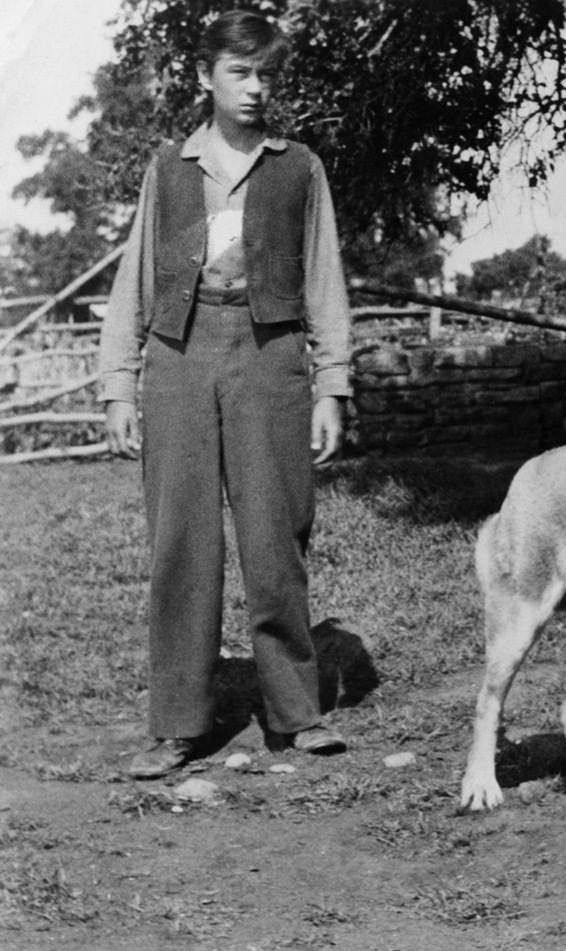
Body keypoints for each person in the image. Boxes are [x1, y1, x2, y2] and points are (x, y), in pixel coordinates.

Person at [99, 10, 352, 779]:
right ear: (206, 77)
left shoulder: (298, 168)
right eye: (240, 72)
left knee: (276, 537)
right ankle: (178, 723)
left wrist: (332, 384)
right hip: (178, 356)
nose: (255, 88)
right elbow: (134, 280)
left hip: (270, 356)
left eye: (267, 73)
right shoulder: (168, 168)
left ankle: (296, 713)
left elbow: (324, 279)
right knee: (181, 543)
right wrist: (119, 386)